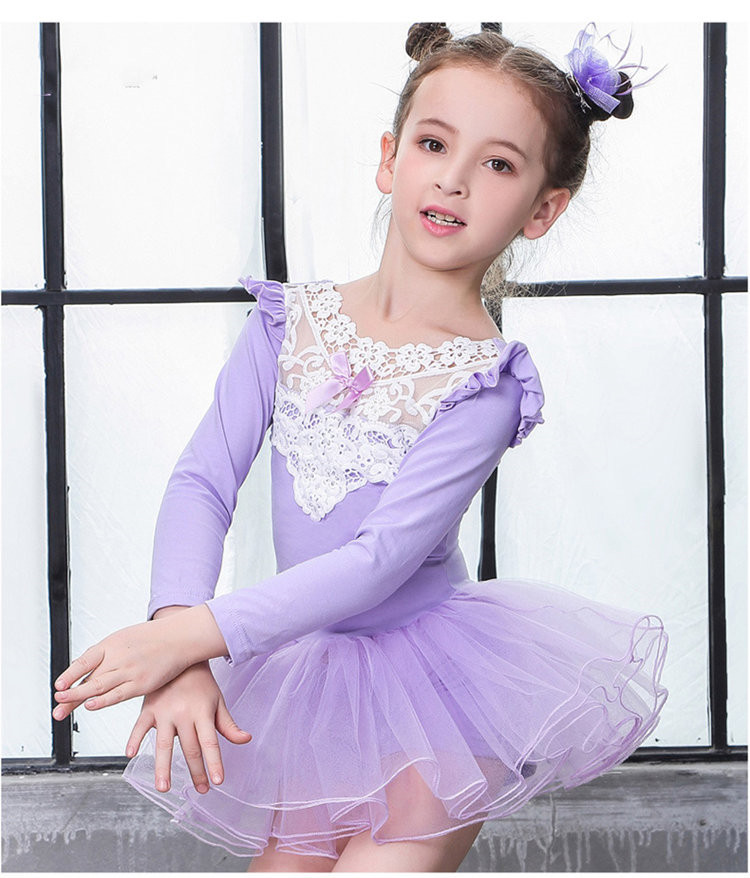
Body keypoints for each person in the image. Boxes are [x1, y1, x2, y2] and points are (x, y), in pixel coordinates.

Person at [52, 22, 669, 874]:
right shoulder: (288, 323)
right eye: (433, 144)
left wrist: (199, 635)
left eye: (498, 164)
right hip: (308, 685)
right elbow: (202, 481)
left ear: (543, 209)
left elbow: (378, 561)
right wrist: (176, 635)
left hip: (436, 704)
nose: (453, 178)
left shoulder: (484, 383)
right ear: (390, 157)